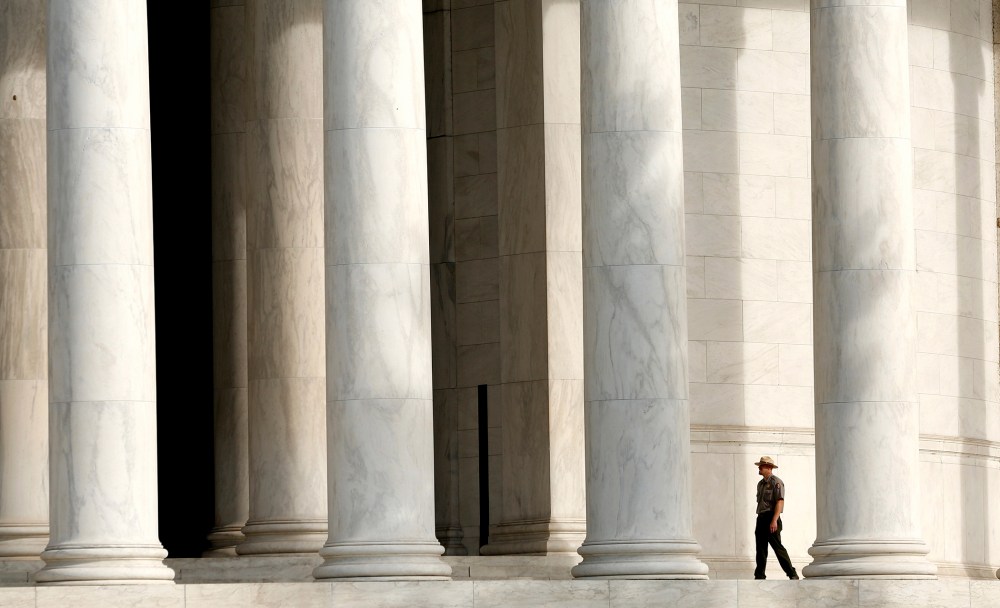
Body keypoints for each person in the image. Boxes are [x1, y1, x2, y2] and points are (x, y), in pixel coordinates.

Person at [753, 456, 799, 580]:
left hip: (771, 517)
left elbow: (780, 501)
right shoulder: (760, 484)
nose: (759, 468)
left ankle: (792, 573)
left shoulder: (776, 482)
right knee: (760, 549)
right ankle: (759, 575)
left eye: (761, 466)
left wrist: (774, 520)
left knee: (778, 547)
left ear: (769, 467)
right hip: (761, 518)